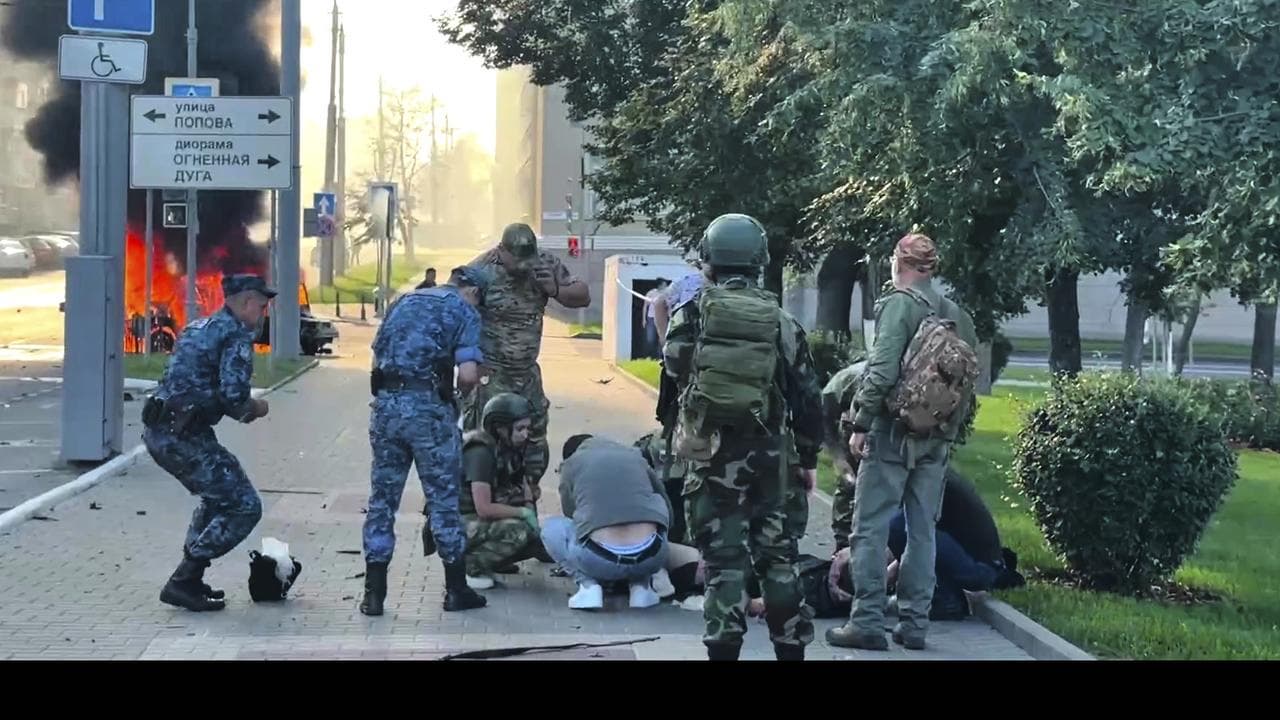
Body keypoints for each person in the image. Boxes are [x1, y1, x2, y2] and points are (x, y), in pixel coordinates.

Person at [663, 213, 824, 661]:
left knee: (723, 565)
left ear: (708, 260)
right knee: (779, 560)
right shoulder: (780, 320)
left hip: (711, 457)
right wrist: (808, 457)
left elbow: (673, 372)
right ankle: (790, 651)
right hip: (772, 461)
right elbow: (808, 396)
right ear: (759, 261)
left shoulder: (691, 315)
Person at [828, 233, 979, 651]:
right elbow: (967, 383)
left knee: (869, 528)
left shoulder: (899, 304)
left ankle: (867, 622)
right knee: (922, 531)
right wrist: (946, 430)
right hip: (937, 438)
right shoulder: (957, 315)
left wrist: (860, 422)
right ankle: (914, 624)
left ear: (899, 262)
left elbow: (881, 371)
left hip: (892, 434)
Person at [360, 266, 494, 616]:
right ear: (473, 292)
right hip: (429, 413)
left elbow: (376, 356)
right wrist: (459, 396)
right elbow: (468, 374)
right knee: (443, 501)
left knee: (382, 501)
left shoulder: (403, 301)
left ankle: (373, 595)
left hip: (386, 410)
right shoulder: (463, 310)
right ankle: (456, 590)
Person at [142, 274, 275, 612]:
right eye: (261, 306)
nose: (263, 314)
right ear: (246, 302)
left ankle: (190, 580)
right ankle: (183, 579)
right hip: (183, 437)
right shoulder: (236, 336)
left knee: (218, 498)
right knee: (245, 506)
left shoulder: (198, 328)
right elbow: (235, 398)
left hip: (165, 432)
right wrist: (257, 408)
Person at [464, 223, 591, 499]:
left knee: (534, 437)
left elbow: (583, 296)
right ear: (501, 251)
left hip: (526, 372)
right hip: (492, 372)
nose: (523, 267)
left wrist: (555, 289)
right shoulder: (480, 270)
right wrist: (469, 361)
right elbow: (455, 313)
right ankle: (484, 499)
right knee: (486, 438)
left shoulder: (545, 263)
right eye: (517, 260)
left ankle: (527, 492)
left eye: (527, 260)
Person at [542, 434, 672, 610]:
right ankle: (641, 587)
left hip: (598, 560)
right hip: (652, 556)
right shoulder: (636, 457)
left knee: (551, 528)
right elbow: (665, 502)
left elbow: (570, 512)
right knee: (650, 511)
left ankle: (588, 587)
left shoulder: (571, 464)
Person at [459, 393, 543, 590]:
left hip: (473, 519)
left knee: (535, 540)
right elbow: (483, 508)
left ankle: (493, 560)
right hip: (456, 521)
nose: (526, 434)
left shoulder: (507, 448)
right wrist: (523, 513)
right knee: (518, 532)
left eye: (528, 428)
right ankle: (470, 567)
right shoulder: (480, 453)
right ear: (500, 428)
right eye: (520, 428)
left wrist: (529, 508)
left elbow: (523, 485)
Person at [823, 361, 866, 552]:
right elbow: (822, 415)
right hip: (851, 436)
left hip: (890, 442)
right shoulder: (848, 380)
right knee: (849, 484)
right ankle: (842, 548)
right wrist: (838, 458)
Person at [643, 280, 668, 359]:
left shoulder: (666, 294)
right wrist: (644, 319)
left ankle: (660, 356)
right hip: (651, 318)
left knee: (662, 339)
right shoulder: (651, 293)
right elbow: (645, 306)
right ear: (660, 285)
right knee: (650, 339)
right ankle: (650, 356)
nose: (666, 287)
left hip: (661, 318)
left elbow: (668, 306)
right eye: (664, 285)